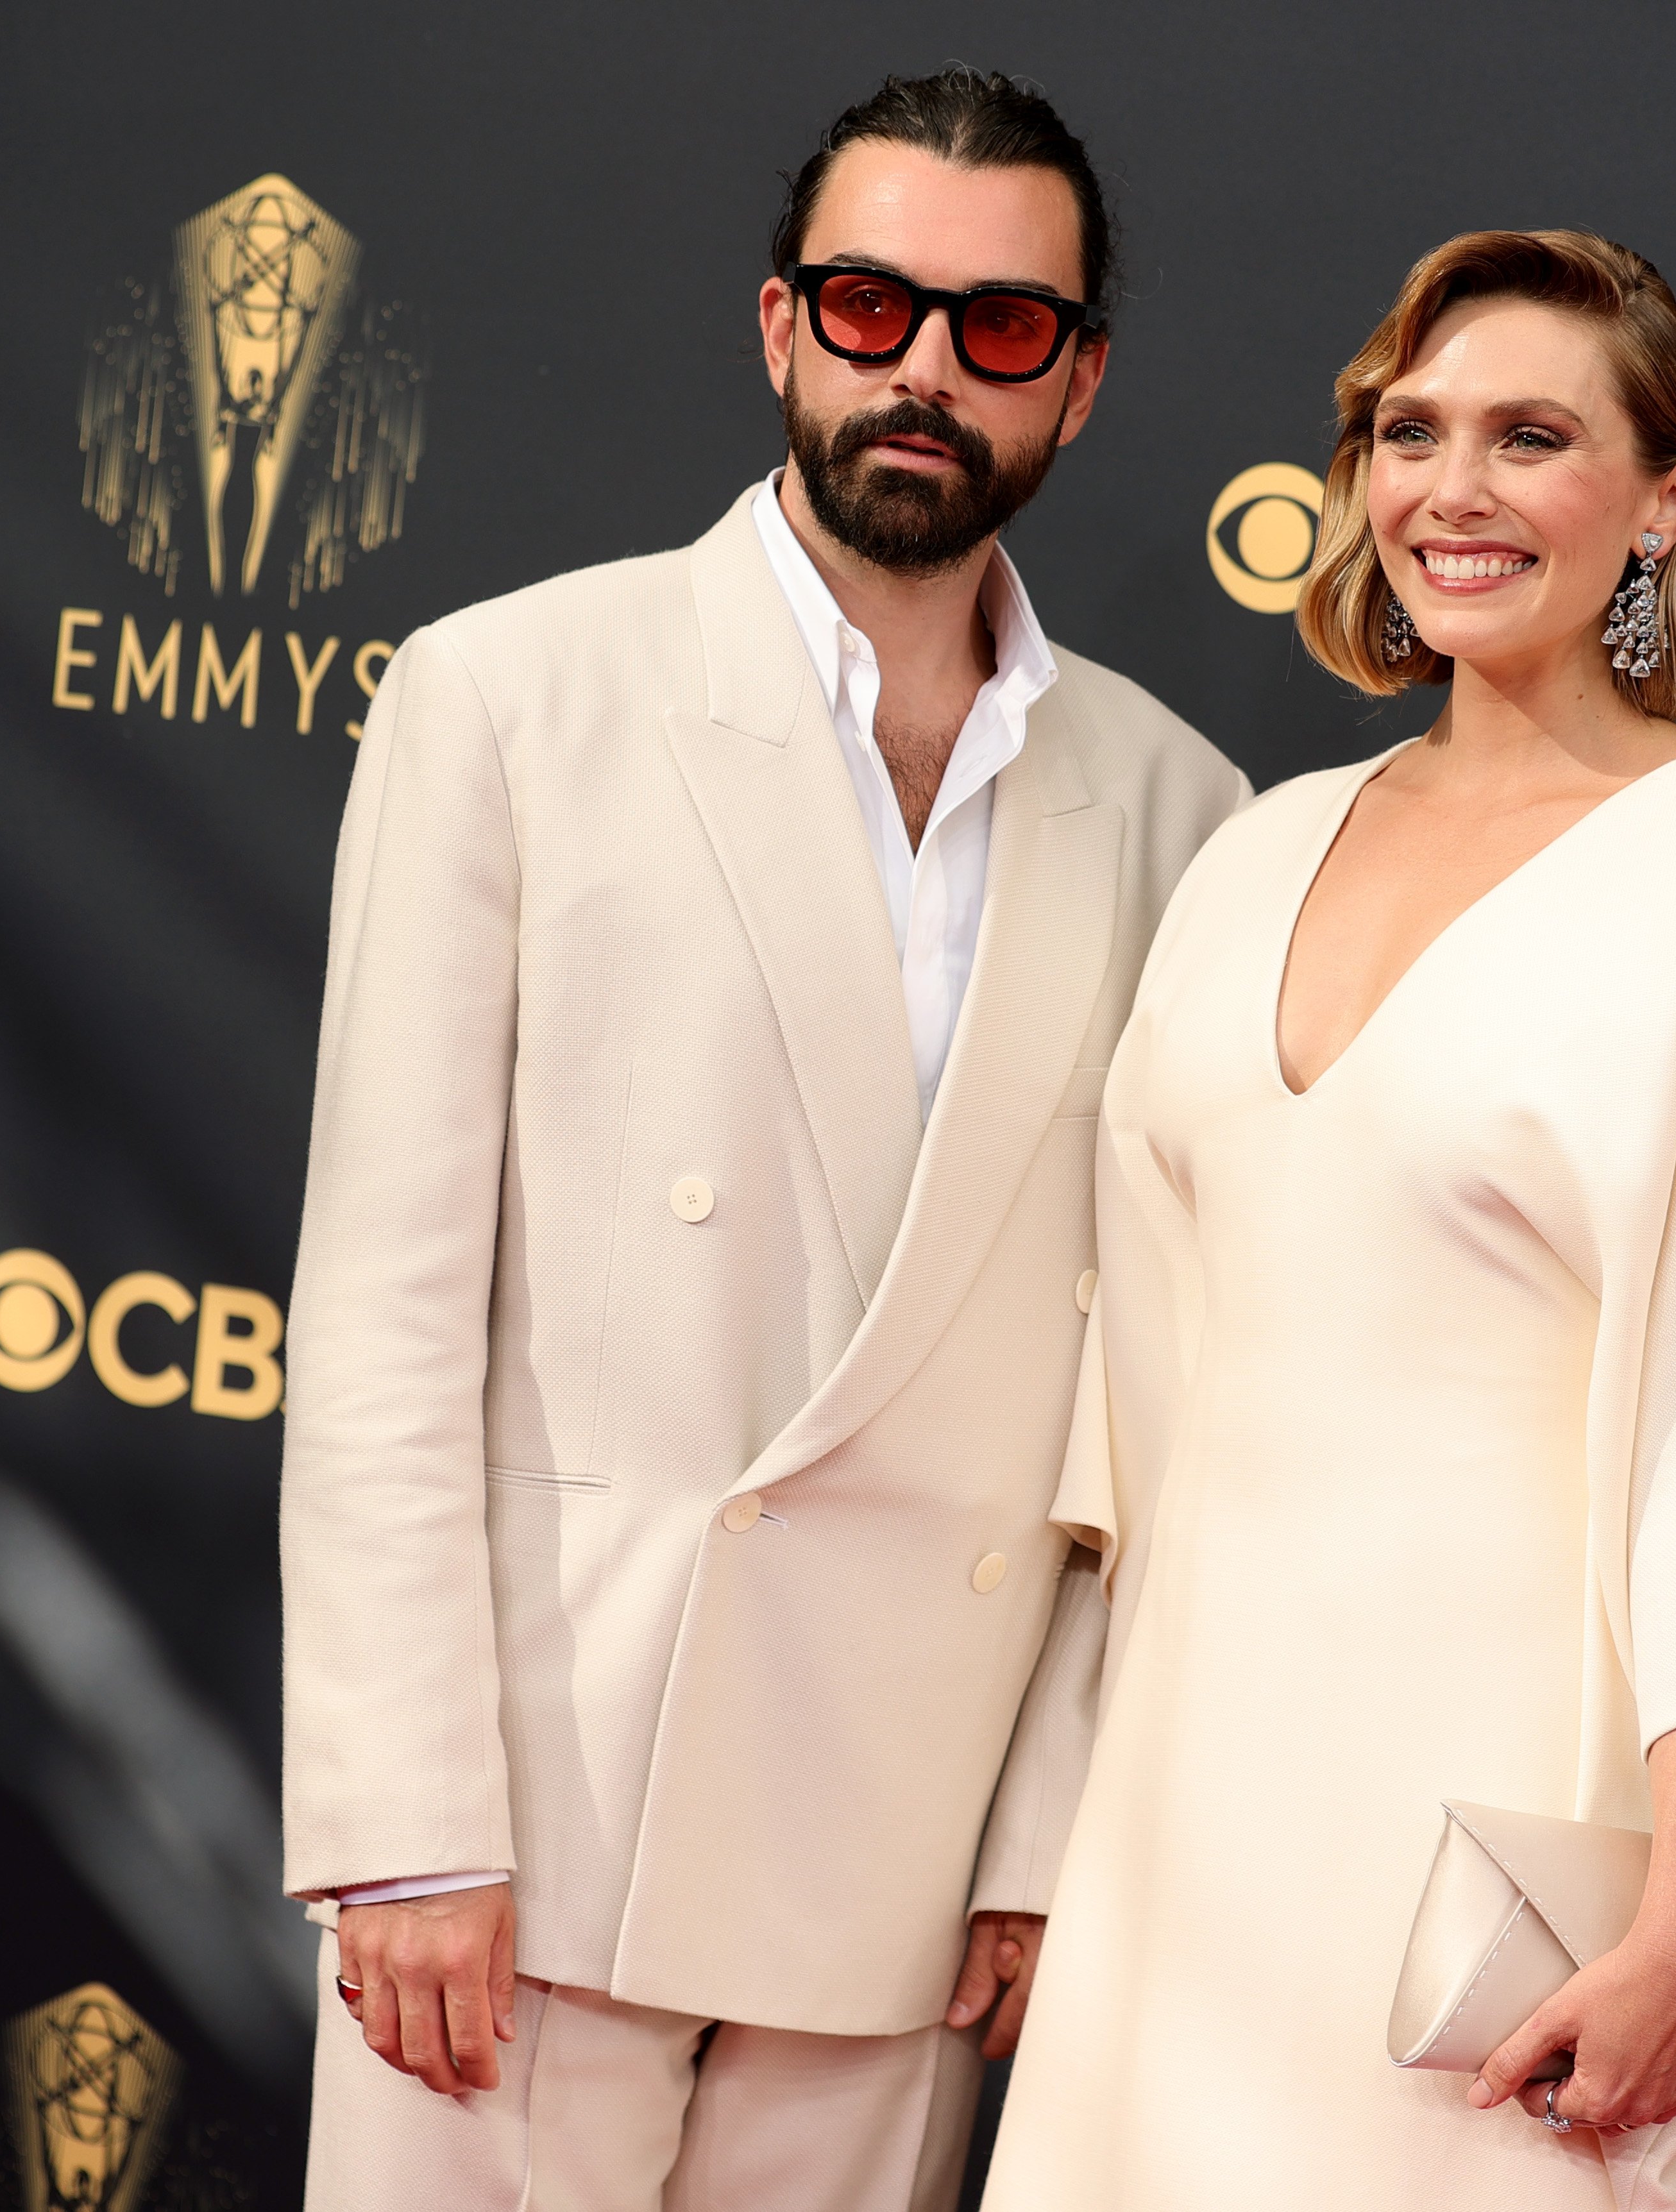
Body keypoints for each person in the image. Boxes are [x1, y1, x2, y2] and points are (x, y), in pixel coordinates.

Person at [278, 67, 1247, 2212]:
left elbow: (1150, 1413)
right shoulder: (510, 698)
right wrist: (406, 1822)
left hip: (899, 1874)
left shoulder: (1188, 811)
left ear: (1079, 386)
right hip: (533, 1842)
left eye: (999, 327)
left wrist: (1039, 1836)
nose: (923, 365)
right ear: (780, 323)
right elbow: (381, 1308)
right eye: (871, 300)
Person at [983, 230, 1676, 2211]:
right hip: (1190, 1810)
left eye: (1532, 435)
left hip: (1510, 1857)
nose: (1454, 489)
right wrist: (1068, 1823)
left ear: (1666, 499)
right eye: (1408, 432)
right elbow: (1137, 1419)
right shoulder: (1255, 853)